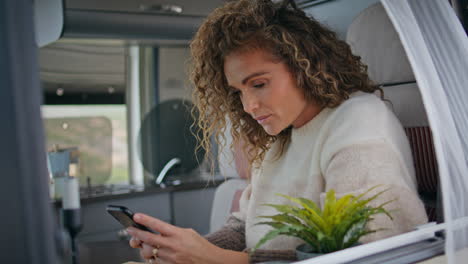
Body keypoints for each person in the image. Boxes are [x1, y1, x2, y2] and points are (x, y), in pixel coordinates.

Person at [126, 0, 428, 263]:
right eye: (238, 92)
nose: (248, 106)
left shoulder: (359, 122)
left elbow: (364, 253)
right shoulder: (280, 138)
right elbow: (247, 224)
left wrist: (216, 259)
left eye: (258, 84)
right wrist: (189, 250)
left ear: (304, 66)